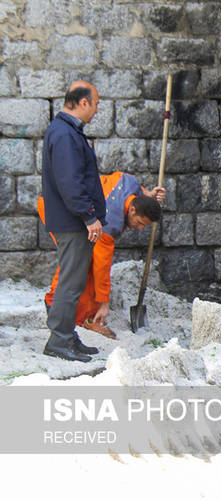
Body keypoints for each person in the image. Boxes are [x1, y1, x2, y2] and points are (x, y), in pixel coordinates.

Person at [38, 172, 165, 339]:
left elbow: (123, 180)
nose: (140, 228)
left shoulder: (130, 182)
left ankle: (85, 316)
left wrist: (148, 194)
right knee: (78, 260)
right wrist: (104, 303)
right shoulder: (108, 222)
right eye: (140, 223)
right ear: (132, 210)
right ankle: (59, 306)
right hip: (56, 208)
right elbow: (101, 267)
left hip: (67, 201)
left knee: (82, 259)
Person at [41, 81, 106, 363]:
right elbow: (70, 182)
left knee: (74, 281)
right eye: (95, 104)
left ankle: (66, 335)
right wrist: (88, 216)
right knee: (70, 283)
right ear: (82, 103)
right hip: (73, 222)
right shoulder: (65, 134)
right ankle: (60, 339)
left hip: (71, 220)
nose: (96, 111)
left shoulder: (65, 131)